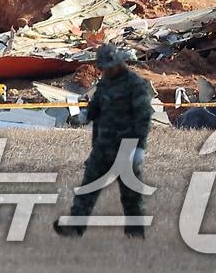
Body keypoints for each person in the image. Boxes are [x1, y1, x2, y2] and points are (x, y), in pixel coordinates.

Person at [54, 44, 154, 239]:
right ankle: (75, 228)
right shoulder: (104, 84)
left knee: (130, 194)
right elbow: (94, 109)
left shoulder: (134, 84)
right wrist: (81, 117)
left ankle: (135, 233)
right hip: (102, 147)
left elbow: (144, 117)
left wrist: (139, 148)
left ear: (119, 62)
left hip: (126, 147)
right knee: (87, 189)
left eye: (110, 66)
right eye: (104, 67)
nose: (108, 70)